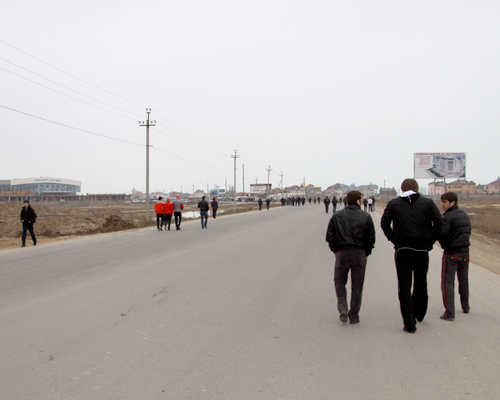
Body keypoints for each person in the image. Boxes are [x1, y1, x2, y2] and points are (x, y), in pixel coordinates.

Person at [381, 178, 442, 333]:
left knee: (404, 286)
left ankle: (409, 323)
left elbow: (384, 223)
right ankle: (419, 313)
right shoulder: (428, 203)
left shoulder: (394, 204)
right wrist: (430, 241)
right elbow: (439, 222)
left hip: (403, 250)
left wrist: (394, 238)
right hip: (422, 249)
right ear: (416, 188)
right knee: (421, 282)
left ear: (402, 189)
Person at [326, 191, 375, 324]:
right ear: (359, 201)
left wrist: (335, 250)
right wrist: (367, 252)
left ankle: (342, 306)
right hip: (359, 254)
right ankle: (354, 315)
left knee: (339, 281)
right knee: (357, 285)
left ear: (347, 200)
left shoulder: (337, 216)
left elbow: (329, 236)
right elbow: (371, 238)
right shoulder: (366, 216)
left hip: (342, 253)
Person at [439, 192, 471, 321]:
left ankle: (449, 312)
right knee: (463, 280)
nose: (442, 205)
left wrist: (444, 244)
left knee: (447, 282)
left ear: (452, 203)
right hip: (465, 253)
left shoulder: (447, 217)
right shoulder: (464, 215)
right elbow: (468, 231)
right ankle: (466, 306)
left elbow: (443, 234)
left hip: (451, 253)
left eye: (444, 202)